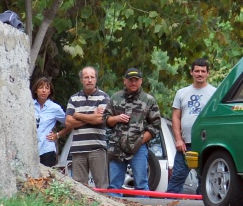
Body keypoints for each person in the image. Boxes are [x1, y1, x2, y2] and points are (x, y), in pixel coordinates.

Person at [104, 68, 161, 196]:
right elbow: (106, 120)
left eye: (136, 80)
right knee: (114, 185)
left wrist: (140, 141)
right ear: (125, 81)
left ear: (141, 81)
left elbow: (156, 126)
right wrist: (116, 118)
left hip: (138, 149)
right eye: (130, 80)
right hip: (117, 147)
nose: (133, 83)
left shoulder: (149, 100)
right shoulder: (115, 97)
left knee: (141, 184)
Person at [166, 58, 217, 195]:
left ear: (208, 73)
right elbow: (176, 117)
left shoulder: (215, 93)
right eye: (197, 71)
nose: (200, 74)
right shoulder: (182, 93)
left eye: (203, 71)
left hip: (206, 144)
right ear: (191, 72)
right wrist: (178, 139)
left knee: (205, 179)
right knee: (177, 177)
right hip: (185, 145)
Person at [65, 66, 110, 189]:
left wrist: (77, 115)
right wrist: (91, 116)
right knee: (79, 188)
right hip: (78, 149)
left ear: (96, 79)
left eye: (92, 77)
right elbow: (68, 123)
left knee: (101, 186)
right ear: (81, 80)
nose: (89, 80)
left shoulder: (104, 97)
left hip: (97, 148)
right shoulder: (73, 98)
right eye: (86, 77)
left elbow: (100, 119)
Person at [32, 77, 66, 167]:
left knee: (46, 178)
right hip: (30, 148)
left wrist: (57, 135)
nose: (44, 91)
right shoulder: (29, 105)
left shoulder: (55, 108)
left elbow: (69, 123)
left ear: (50, 92)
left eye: (47, 88)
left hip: (47, 149)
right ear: (36, 90)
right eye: (41, 87)